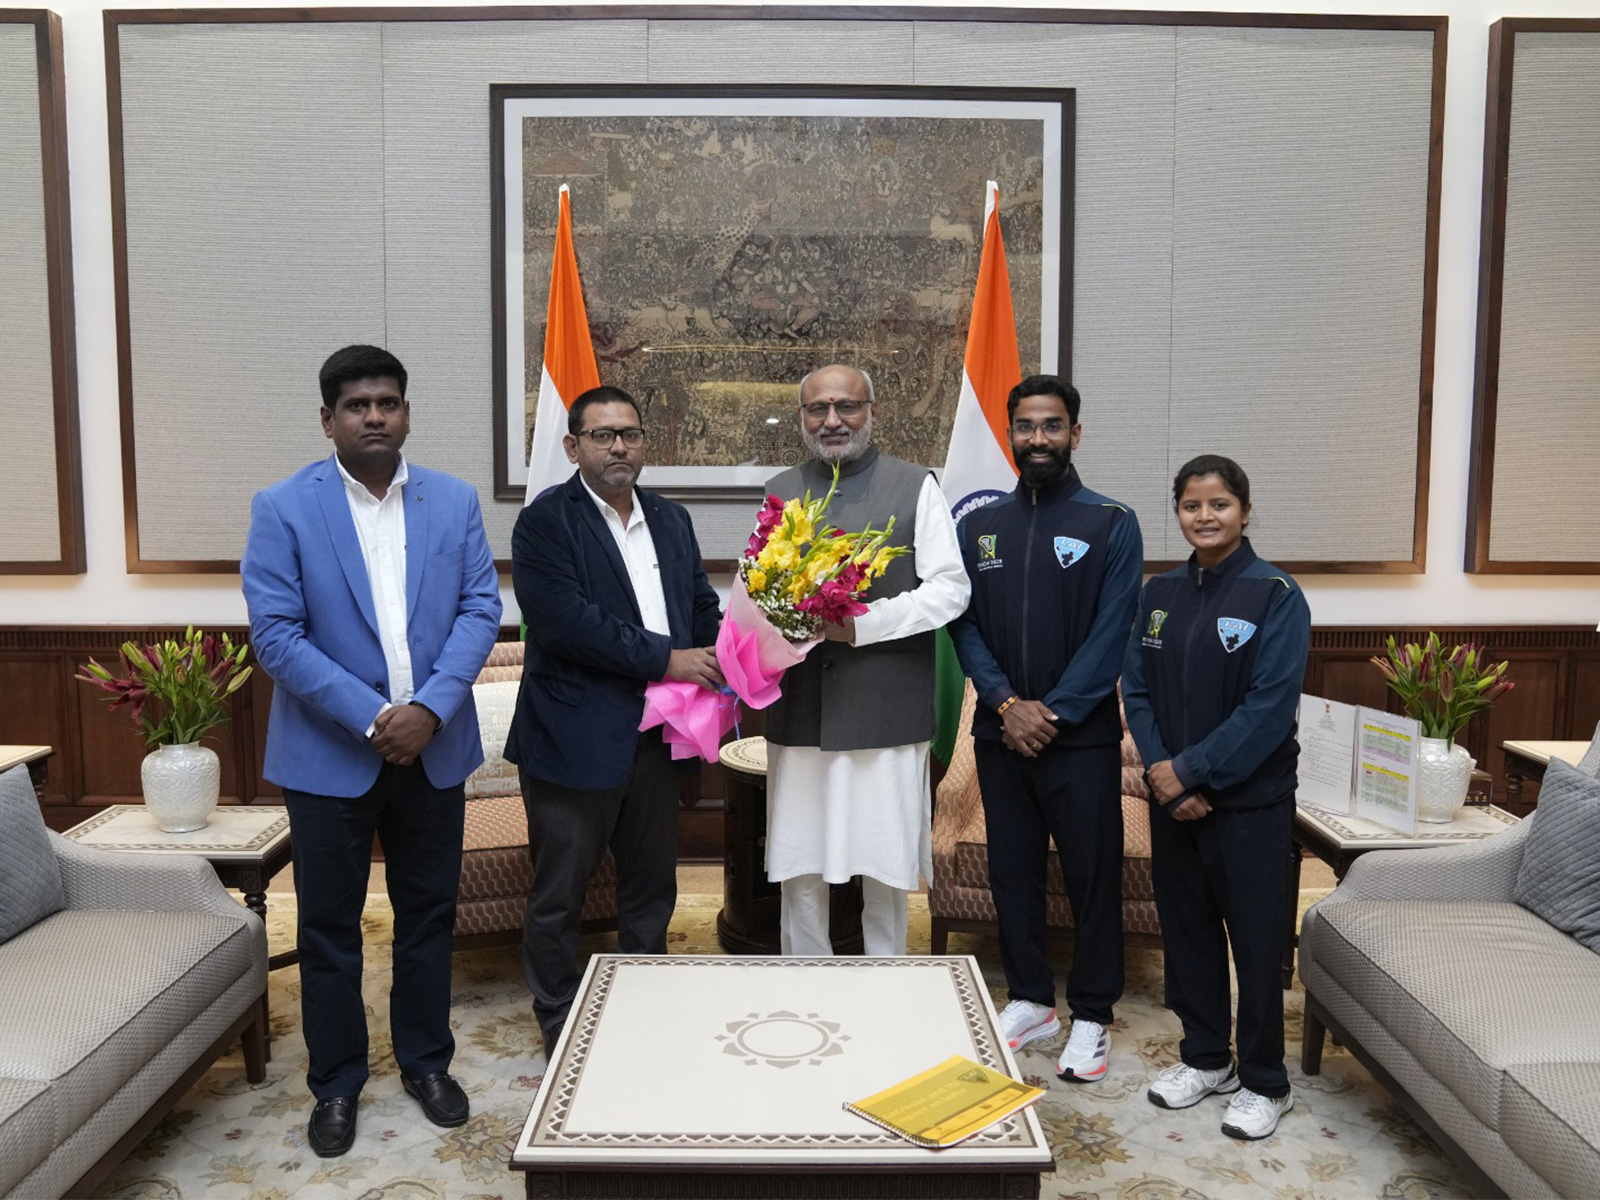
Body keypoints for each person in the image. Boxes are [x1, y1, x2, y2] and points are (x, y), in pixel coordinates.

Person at [242, 344, 502, 1157]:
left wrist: (427, 709)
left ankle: (427, 1062)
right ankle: (338, 1082)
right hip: (328, 759)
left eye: (388, 402)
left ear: (407, 413)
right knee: (329, 927)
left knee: (429, 917)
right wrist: (374, 717)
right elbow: (276, 637)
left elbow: (480, 611)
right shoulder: (283, 507)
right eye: (357, 406)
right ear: (328, 419)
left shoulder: (454, 502)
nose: (375, 416)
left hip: (434, 747)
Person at [505, 384, 722, 1050]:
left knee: (651, 883)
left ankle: (642, 994)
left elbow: (697, 602)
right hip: (573, 739)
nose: (619, 446)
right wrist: (671, 661)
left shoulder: (671, 518)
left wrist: (726, 650)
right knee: (560, 892)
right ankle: (558, 1016)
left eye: (630, 433)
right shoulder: (545, 522)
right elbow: (572, 625)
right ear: (573, 446)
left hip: (659, 735)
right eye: (603, 435)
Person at [947, 375, 1144, 1084]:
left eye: (1052, 426)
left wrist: (1051, 711)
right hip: (1001, 737)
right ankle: (1031, 998)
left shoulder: (1112, 522)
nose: (1038, 438)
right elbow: (962, 623)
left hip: (1080, 739)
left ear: (1075, 435)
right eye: (1025, 426)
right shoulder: (978, 526)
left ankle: (1092, 1013)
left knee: (1093, 878)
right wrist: (1005, 704)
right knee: (1013, 874)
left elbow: (1114, 630)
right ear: (1009, 435)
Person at [1121, 454, 1311, 1141]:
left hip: (1249, 807)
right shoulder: (1160, 593)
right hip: (1174, 802)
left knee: (1256, 946)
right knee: (1189, 936)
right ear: (1178, 513)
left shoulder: (1276, 596)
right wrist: (1166, 778)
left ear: (1246, 511)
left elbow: (1268, 710)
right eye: (1192, 505)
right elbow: (1136, 689)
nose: (1205, 516)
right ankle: (1206, 1058)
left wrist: (1193, 772)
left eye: (1220, 504)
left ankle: (1266, 1081)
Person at [763, 364, 970, 956]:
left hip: (886, 709)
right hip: (800, 709)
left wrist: (863, 627)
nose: (832, 420)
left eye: (846, 407)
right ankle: (803, 980)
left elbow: (950, 589)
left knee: (885, 865)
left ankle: (888, 982)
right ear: (801, 416)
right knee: (799, 863)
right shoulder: (781, 488)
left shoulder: (915, 486)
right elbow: (762, 590)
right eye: (817, 409)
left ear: (872, 413)